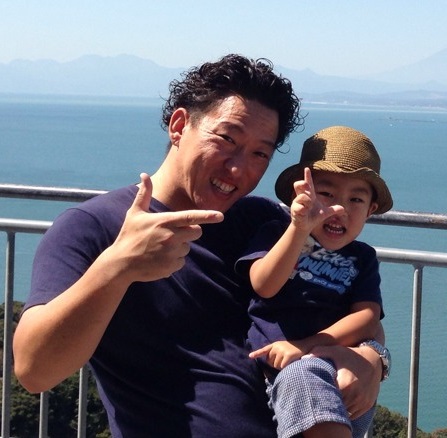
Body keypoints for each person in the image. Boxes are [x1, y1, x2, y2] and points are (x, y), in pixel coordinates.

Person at [13, 55, 386, 437]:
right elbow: (34, 371)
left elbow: (348, 305)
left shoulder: (261, 222)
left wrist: (372, 359)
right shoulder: (95, 228)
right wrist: (118, 267)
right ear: (179, 126)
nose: (238, 169)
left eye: (260, 153)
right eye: (227, 139)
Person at [236, 126, 393, 438]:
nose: (339, 209)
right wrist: (298, 228)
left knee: (307, 371)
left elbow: (367, 317)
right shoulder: (276, 234)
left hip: (340, 375)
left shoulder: (362, 257)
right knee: (302, 374)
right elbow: (264, 284)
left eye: (356, 199)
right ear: (301, 195)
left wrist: (307, 347)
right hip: (276, 378)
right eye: (326, 194)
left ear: (370, 210)